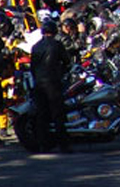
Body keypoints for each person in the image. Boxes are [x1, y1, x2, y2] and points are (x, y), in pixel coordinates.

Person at [31, 20, 72, 152]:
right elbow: (66, 61)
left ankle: (44, 144)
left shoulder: (36, 46)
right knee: (58, 114)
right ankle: (63, 145)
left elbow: (32, 66)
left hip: (39, 83)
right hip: (53, 82)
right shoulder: (57, 45)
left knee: (42, 115)